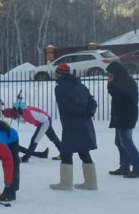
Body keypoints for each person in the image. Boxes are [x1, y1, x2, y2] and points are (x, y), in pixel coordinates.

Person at [51, 63, 99, 191]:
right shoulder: (80, 85)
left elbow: (65, 106)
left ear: (59, 74)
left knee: (66, 152)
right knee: (84, 151)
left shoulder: (60, 88)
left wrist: (79, 113)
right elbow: (93, 102)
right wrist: (87, 113)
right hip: (85, 122)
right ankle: (91, 183)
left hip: (71, 123)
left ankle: (66, 183)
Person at [107, 61, 139, 177]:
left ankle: (137, 167)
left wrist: (110, 84)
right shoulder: (124, 81)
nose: (109, 76)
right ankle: (124, 166)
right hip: (122, 116)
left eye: (111, 74)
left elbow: (119, 96)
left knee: (126, 142)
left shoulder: (125, 82)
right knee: (120, 142)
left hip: (126, 116)